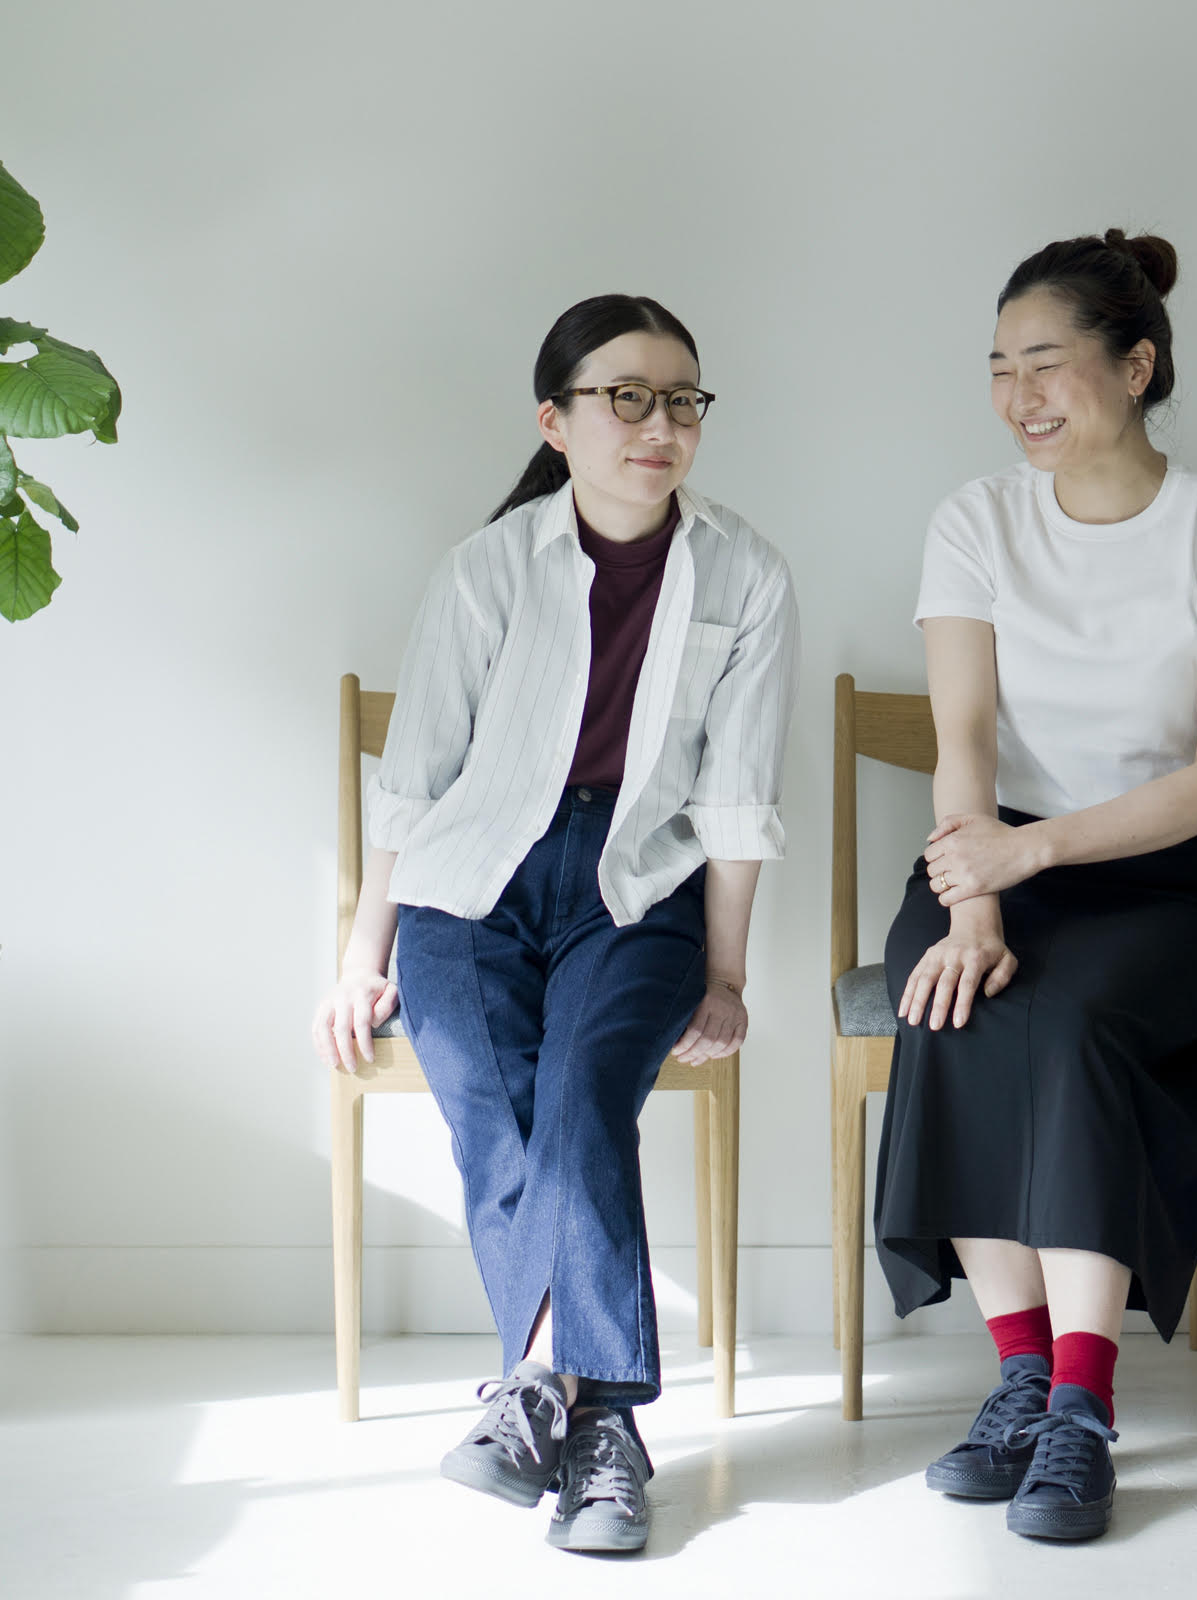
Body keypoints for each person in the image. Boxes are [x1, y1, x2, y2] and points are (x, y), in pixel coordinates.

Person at [311, 294, 799, 1555]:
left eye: (680, 399)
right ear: (555, 420)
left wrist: (727, 972)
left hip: (634, 888)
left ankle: (535, 1394)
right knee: (493, 1105)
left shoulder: (747, 574)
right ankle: (601, 1429)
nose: (658, 424)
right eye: (624, 397)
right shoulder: (487, 569)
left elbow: (737, 797)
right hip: (469, 885)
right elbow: (414, 783)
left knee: (581, 1092)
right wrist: (361, 957)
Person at [874, 231, 1197, 1543]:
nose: (1020, 397)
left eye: (1046, 364)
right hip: (987, 851)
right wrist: (976, 898)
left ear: (1137, 365)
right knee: (950, 996)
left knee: (1070, 1021)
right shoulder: (974, 520)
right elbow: (961, 739)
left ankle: (1083, 1405)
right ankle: (1019, 1381)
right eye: (1000, 368)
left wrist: (1034, 852)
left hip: (1164, 884)